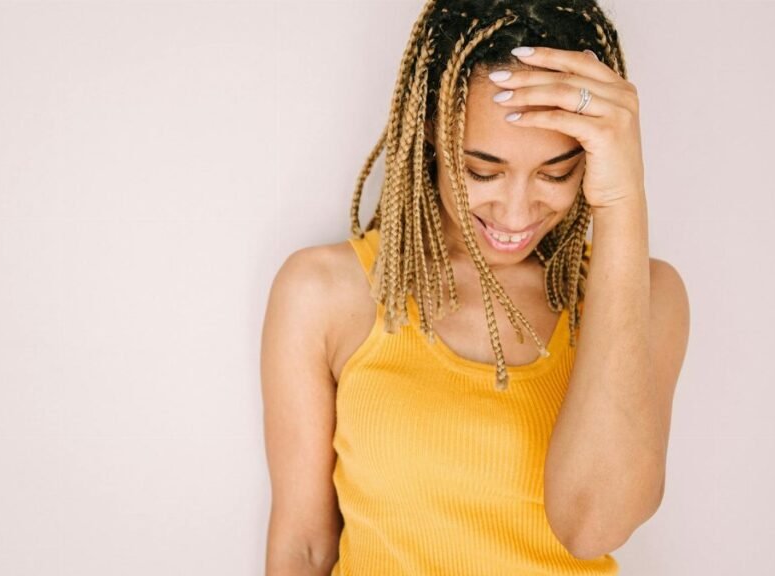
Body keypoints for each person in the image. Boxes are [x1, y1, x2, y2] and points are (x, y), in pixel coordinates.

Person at [261, 0, 690, 574]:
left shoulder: (649, 297)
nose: (515, 212)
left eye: (556, 172)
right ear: (432, 130)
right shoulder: (325, 293)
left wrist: (621, 200)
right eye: (482, 171)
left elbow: (592, 526)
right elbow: (304, 548)